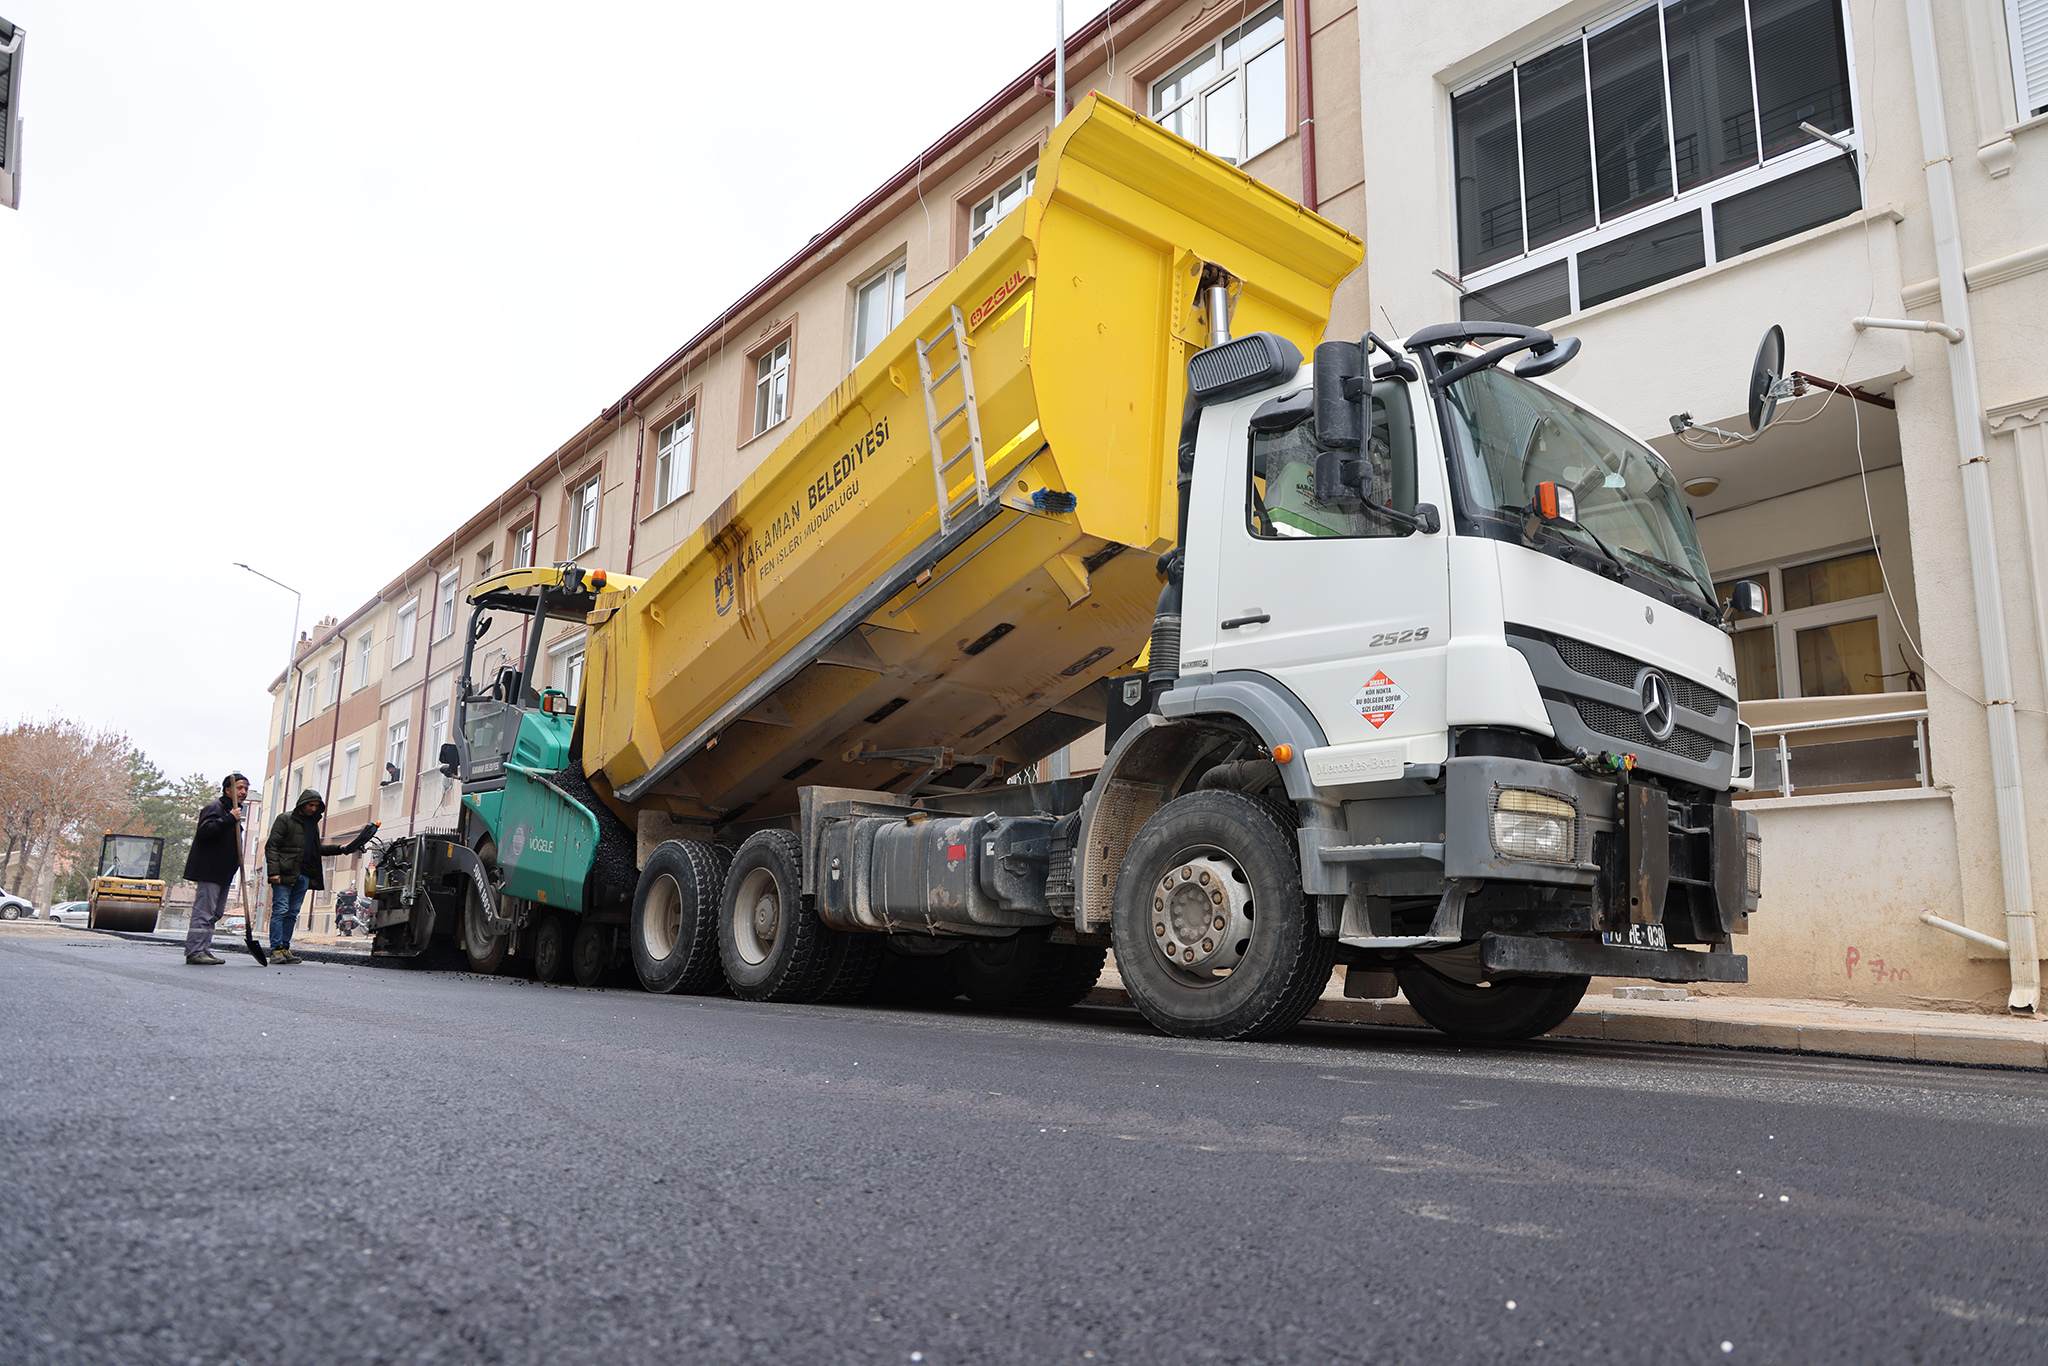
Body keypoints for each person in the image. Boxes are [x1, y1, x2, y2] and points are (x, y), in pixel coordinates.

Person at [264, 790, 376, 965]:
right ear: (302, 803)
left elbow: (317, 850)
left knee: (292, 913)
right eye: (311, 805)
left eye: (316, 806)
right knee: (281, 910)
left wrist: (341, 848)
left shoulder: (312, 824)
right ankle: (275, 949)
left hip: (304, 875)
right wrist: (273, 872)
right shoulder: (285, 819)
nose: (313, 809)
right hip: (285, 874)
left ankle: (285, 948)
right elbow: (272, 846)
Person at [181, 773, 249, 965]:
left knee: (215, 914)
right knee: (204, 912)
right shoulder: (216, 808)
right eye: (240, 788)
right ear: (228, 790)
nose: (243, 792)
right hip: (210, 871)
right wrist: (228, 819)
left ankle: (204, 949)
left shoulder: (233, 812)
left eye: (245, 788)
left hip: (224, 873)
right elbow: (205, 831)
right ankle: (194, 951)